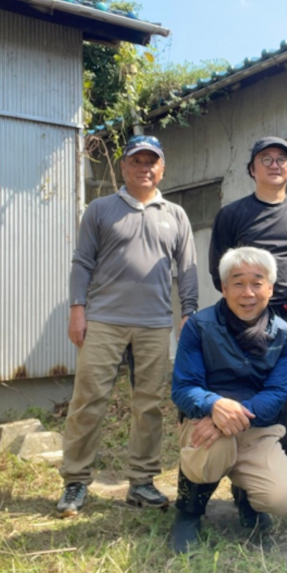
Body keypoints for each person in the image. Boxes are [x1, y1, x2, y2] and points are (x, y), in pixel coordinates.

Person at [57, 135, 199, 517]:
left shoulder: (176, 215)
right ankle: (75, 481)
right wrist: (77, 308)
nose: (144, 168)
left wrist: (189, 311)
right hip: (103, 320)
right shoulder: (101, 210)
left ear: (162, 168)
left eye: (152, 161)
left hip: (154, 324)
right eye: (137, 161)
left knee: (150, 405)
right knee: (88, 401)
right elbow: (82, 262)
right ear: (123, 167)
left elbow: (186, 268)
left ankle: (141, 481)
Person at [208, 137, 287, 522]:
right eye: (266, 159)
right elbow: (218, 270)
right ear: (252, 169)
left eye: (282, 160)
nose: (275, 165)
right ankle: (246, 496)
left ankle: (285, 492)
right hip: (245, 319)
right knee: (245, 398)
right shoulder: (233, 214)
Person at [169, 247, 287, 553]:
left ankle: (247, 496)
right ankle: (188, 512)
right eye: (238, 283)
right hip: (204, 421)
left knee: (284, 498)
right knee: (212, 448)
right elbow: (183, 387)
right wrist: (214, 407)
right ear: (224, 287)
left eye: (257, 283)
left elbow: (276, 394)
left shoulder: (285, 336)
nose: (248, 292)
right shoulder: (199, 327)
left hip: (256, 429)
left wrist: (228, 418)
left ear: (270, 288)